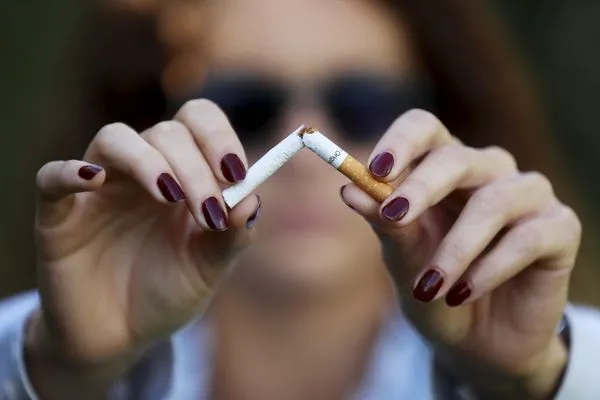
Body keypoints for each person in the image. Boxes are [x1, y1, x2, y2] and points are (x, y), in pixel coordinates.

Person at [1, 0, 599, 398]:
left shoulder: (572, 357)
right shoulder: (31, 346)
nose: (306, 147)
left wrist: (536, 380)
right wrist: (59, 375)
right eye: (247, 105)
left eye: (362, 104)